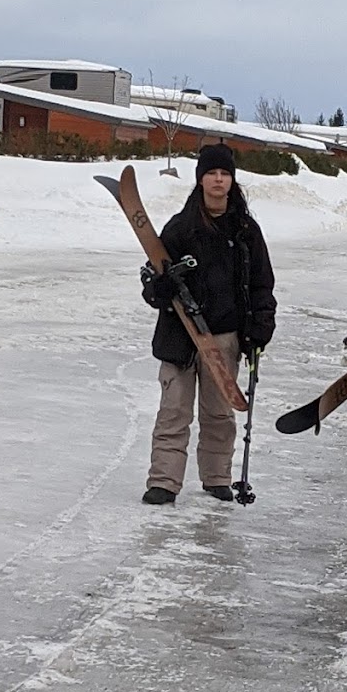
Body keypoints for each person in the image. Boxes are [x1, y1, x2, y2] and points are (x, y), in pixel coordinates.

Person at [140, 143, 276, 505]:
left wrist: (261, 326)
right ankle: (164, 482)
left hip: (226, 336)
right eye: (212, 173)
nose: (218, 179)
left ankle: (217, 478)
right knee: (174, 411)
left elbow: (263, 282)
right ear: (200, 179)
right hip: (180, 335)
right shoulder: (180, 228)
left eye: (224, 173)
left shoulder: (245, 230)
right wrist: (161, 288)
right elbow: (152, 287)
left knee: (219, 413)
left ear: (232, 180)